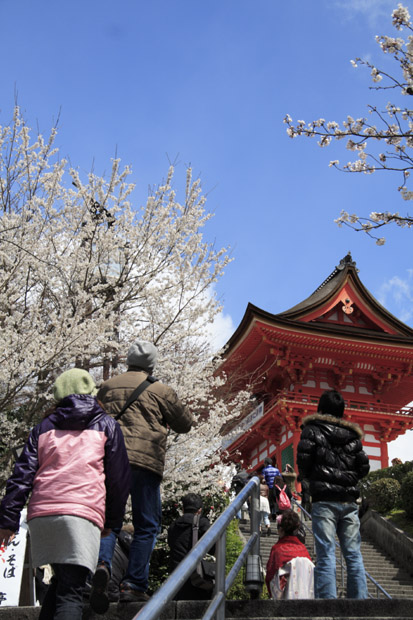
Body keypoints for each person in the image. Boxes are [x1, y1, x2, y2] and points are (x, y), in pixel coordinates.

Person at [0, 368, 130, 620]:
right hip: (81, 514)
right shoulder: (107, 425)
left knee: (62, 583)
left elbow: (21, 475)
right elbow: (119, 479)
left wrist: (7, 520)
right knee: (72, 592)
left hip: (43, 516)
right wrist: (111, 522)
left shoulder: (42, 428)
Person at [91, 339, 194, 609]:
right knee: (147, 524)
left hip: (111, 460)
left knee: (108, 519)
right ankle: (134, 584)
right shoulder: (161, 390)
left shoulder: (107, 387)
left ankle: (103, 565)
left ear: (128, 360)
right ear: (152, 364)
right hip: (145, 462)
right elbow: (185, 424)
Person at [297, 389, 370, 599]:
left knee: (326, 551)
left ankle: (327, 603)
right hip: (348, 501)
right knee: (353, 553)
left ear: (320, 408)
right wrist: (348, 478)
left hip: (324, 501)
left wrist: (312, 480)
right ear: (342, 411)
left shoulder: (311, 430)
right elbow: (363, 467)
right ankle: (360, 602)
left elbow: (303, 461)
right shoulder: (353, 437)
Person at [167, 493, 213, 601]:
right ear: (199, 510)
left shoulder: (173, 526)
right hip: (196, 577)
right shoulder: (202, 523)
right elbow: (213, 548)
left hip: (176, 577)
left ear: (183, 509)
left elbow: (171, 545)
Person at [266, 509, 313, 599]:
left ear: (282, 529)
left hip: (284, 598)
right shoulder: (303, 549)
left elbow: (270, 576)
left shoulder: (277, 549)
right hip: (306, 595)